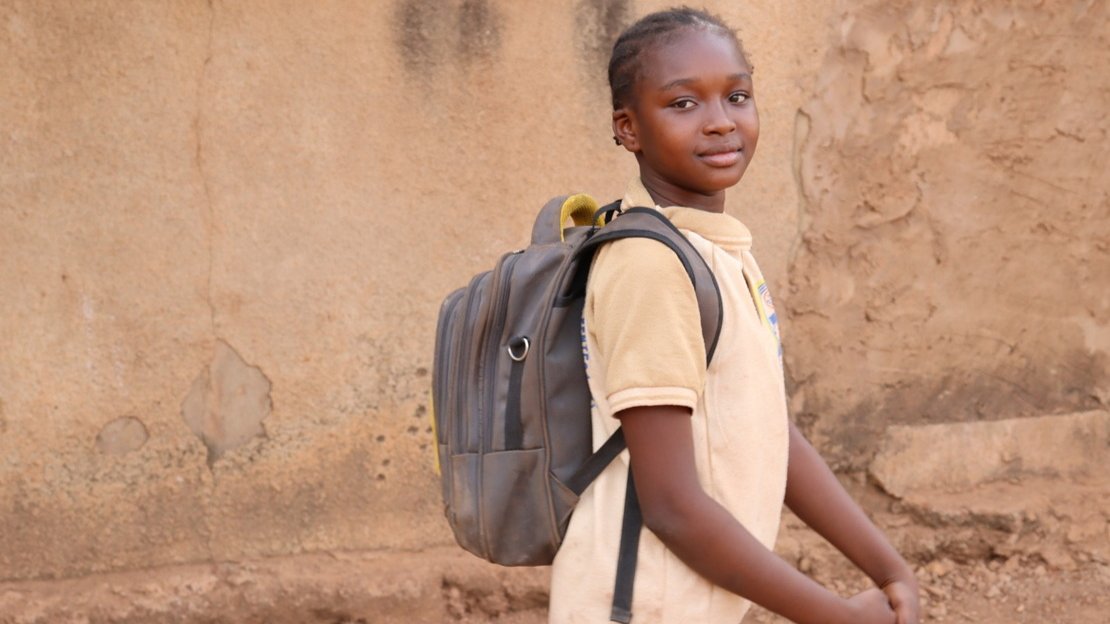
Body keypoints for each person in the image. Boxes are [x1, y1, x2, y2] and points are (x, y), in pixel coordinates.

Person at [548, 8, 921, 624]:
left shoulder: (715, 250)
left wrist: (887, 566)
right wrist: (839, 616)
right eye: (683, 104)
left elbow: (769, 428)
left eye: (737, 95)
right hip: (639, 605)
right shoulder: (650, 265)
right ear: (628, 128)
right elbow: (670, 505)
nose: (721, 122)